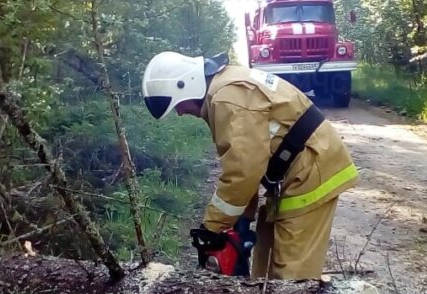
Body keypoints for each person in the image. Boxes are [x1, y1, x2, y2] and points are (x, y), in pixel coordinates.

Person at [141, 51, 358, 279]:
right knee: (268, 255)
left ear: (186, 85)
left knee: (292, 274)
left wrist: (211, 227)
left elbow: (243, 173)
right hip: (298, 165)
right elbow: (247, 161)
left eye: (178, 104)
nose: (180, 112)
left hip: (311, 168)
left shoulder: (227, 98)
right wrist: (242, 220)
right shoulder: (224, 89)